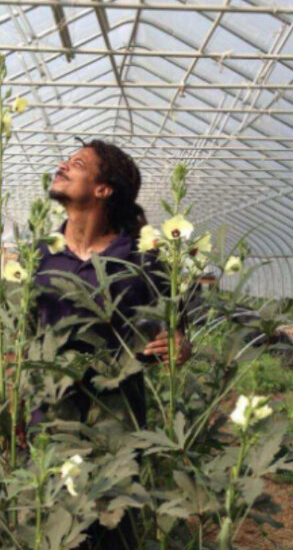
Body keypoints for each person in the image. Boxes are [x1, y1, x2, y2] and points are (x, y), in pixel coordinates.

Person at [33, 139, 190, 431]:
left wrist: (176, 346)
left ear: (102, 189)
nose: (62, 165)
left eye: (77, 164)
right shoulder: (38, 255)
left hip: (116, 423)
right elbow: (21, 337)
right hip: (49, 419)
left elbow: (174, 331)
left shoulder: (142, 259)